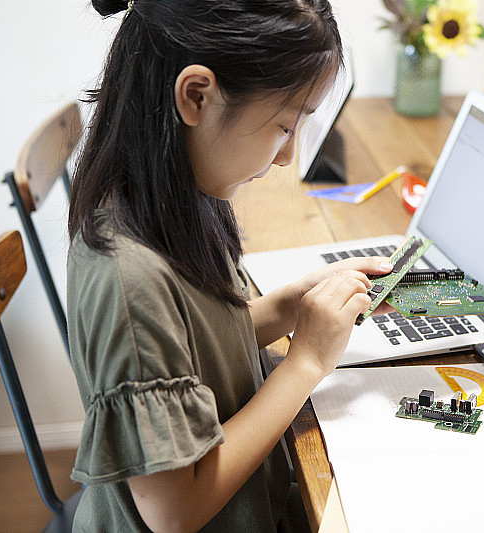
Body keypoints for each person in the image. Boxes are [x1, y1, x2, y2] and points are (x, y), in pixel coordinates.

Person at [66, 1, 393, 531]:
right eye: (285, 127)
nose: (288, 157)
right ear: (197, 96)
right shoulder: (128, 275)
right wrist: (306, 361)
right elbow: (174, 511)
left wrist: (289, 307)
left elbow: (197, 351)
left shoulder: (177, 195)